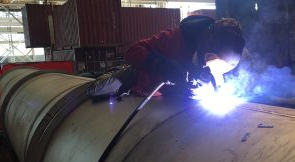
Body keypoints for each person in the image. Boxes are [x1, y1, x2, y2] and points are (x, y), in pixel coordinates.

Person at [87, 15, 245, 99]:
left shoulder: (225, 52)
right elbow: (132, 51)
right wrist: (165, 66)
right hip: (136, 80)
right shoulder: (174, 39)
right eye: (216, 63)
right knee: (96, 91)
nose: (218, 71)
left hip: (162, 97)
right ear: (206, 49)